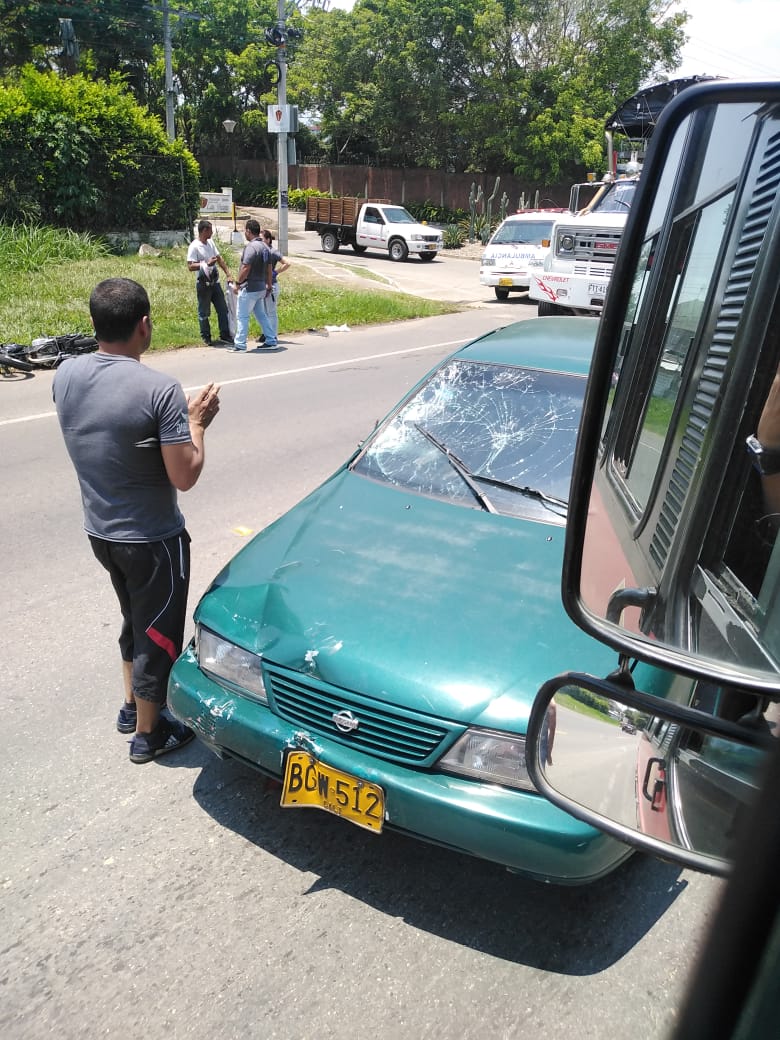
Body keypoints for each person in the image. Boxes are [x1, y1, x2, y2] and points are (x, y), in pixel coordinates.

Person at [53, 278, 221, 764]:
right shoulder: (160, 389)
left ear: (94, 324)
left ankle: (131, 705)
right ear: (144, 325)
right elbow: (184, 475)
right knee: (159, 632)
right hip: (152, 539)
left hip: (100, 532)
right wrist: (197, 423)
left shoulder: (64, 374)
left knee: (133, 617)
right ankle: (149, 733)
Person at [186, 219, 234, 346]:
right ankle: (206, 336)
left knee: (223, 309)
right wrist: (205, 264)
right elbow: (190, 266)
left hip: (215, 282)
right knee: (204, 311)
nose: (212, 232)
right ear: (204, 231)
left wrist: (228, 273)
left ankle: (224, 334)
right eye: (210, 230)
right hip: (203, 283)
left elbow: (219, 258)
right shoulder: (194, 246)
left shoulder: (211, 243)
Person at [230, 218, 275, 351]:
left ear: (249, 231)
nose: (245, 233)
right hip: (261, 288)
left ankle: (240, 344)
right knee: (261, 315)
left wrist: (237, 283)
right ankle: (271, 340)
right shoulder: (265, 247)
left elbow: (246, 268)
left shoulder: (251, 247)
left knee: (242, 316)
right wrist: (269, 285)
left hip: (249, 288)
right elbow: (269, 268)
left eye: (245, 230)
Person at [260, 228, 290, 345]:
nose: (260, 242)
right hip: (262, 285)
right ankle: (266, 333)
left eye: (262, 239)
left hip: (272, 286)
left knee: (271, 312)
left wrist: (275, 272)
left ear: (268, 240)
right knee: (263, 312)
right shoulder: (261, 251)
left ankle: (273, 335)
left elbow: (287, 263)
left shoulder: (273, 252)